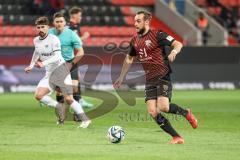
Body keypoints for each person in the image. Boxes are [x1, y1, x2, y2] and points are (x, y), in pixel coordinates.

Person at [114, 11, 198, 144]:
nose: (135, 24)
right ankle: (177, 137)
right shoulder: (134, 40)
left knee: (164, 107)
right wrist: (121, 76)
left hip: (162, 75)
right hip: (149, 79)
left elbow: (178, 43)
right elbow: (129, 58)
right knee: (153, 111)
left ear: (146, 22)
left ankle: (186, 113)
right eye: (135, 21)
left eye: (138, 21)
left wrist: (174, 51)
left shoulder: (157, 34)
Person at [24, 16, 91, 128]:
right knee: (38, 95)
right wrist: (31, 65)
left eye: (43, 27)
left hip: (61, 71)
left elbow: (57, 56)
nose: (40, 29)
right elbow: (36, 52)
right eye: (38, 27)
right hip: (49, 73)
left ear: (47, 27)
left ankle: (85, 120)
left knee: (69, 98)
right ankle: (58, 106)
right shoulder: (36, 40)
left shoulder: (54, 39)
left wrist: (43, 63)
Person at [67, 7, 93, 108]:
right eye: (80, 15)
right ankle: (43, 95)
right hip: (69, 57)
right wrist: (84, 37)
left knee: (75, 79)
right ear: (74, 15)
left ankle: (78, 100)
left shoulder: (75, 26)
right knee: (72, 80)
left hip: (72, 56)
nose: (81, 17)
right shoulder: (71, 27)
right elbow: (71, 42)